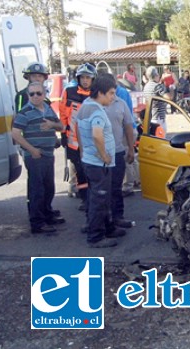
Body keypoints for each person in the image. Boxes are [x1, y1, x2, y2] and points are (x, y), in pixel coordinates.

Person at [11, 82, 65, 234]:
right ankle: (37, 223)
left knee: (49, 188)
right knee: (37, 190)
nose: (35, 96)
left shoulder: (48, 109)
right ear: (28, 95)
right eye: (32, 93)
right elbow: (15, 134)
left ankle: (47, 215)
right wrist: (32, 150)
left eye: (38, 93)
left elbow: (61, 126)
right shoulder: (24, 112)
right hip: (35, 156)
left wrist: (52, 124)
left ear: (44, 94)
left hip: (48, 154)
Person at [76, 75, 122, 248]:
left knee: (97, 196)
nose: (113, 97)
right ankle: (96, 236)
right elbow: (97, 134)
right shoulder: (96, 110)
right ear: (100, 93)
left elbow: (78, 129)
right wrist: (104, 155)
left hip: (89, 159)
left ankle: (106, 228)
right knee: (99, 199)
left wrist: (82, 150)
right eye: (110, 93)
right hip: (98, 163)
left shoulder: (85, 106)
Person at [98, 73, 138, 230]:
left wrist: (130, 148)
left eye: (115, 91)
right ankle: (99, 221)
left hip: (117, 152)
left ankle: (117, 217)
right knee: (100, 190)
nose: (114, 95)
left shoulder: (121, 104)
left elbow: (129, 126)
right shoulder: (91, 105)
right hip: (97, 156)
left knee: (116, 188)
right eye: (111, 92)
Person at [59, 63, 96, 211]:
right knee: (80, 171)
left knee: (92, 170)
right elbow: (62, 114)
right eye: (83, 78)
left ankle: (94, 199)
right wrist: (63, 133)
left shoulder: (96, 93)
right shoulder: (69, 91)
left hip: (92, 140)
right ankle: (84, 199)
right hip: (73, 140)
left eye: (88, 78)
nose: (85, 80)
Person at [143, 66, 174, 132]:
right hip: (159, 118)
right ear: (156, 75)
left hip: (151, 117)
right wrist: (171, 88)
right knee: (161, 140)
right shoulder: (157, 86)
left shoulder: (146, 86)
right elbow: (169, 98)